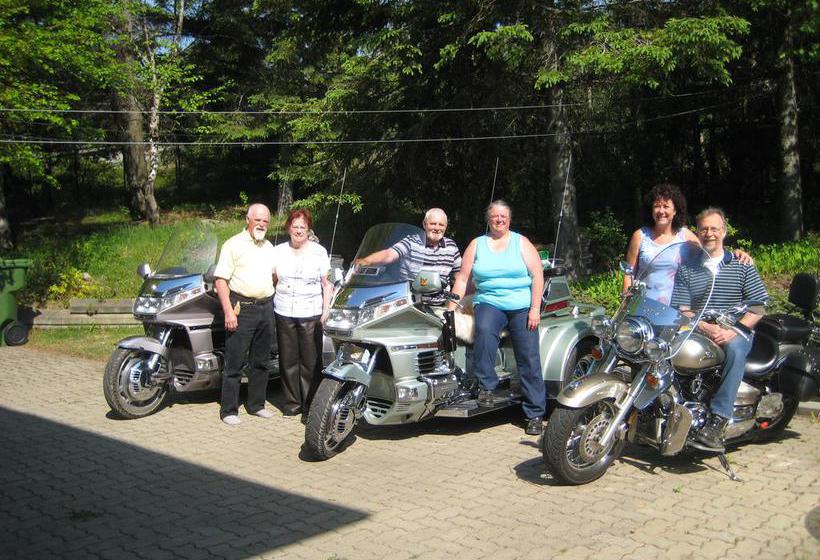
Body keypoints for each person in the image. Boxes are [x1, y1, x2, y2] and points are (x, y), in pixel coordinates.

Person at [671, 207, 768, 449]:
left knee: (734, 350)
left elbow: (758, 308)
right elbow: (683, 309)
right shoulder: (687, 267)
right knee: (667, 346)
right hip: (700, 328)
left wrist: (732, 331)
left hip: (735, 329)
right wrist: (704, 326)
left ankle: (719, 420)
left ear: (723, 232)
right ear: (697, 233)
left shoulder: (741, 264)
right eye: (704, 229)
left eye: (714, 228)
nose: (709, 233)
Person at [448, 200, 546, 436]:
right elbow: (463, 279)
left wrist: (535, 309)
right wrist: (450, 308)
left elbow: (537, 275)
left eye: (503, 216)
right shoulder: (477, 244)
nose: (499, 219)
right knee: (483, 331)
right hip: (489, 301)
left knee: (528, 356)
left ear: (509, 220)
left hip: (521, 305)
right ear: (488, 219)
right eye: (495, 216)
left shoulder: (521, 242)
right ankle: (487, 387)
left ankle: (535, 413)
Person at [623, 183, 751, 304]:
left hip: (676, 308)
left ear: (675, 211)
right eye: (657, 206)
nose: (661, 211)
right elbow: (628, 273)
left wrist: (736, 253)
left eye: (666, 206)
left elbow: (711, 252)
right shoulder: (640, 236)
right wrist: (626, 302)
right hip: (642, 305)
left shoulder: (685, 236)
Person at [214, 203, 277, 426]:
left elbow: (274, 277)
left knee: (261, 362)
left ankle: (256, 405)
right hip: (242, 309)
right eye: (257, 220)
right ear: (247, 220)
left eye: (265, 221)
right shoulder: (233, 244)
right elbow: (220, 281)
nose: (261, 224)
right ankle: (228, 410)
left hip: (265, 307)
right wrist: (228, 312)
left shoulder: (269, 247)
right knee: (235, 362)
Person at [272, 208, 333, 416]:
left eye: (303, 227)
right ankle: (292, 404)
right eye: (295, 226)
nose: (299, 230)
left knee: (310, 361)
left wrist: (326, 310)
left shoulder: (319, 251)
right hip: (283, 310)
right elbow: (272, 278)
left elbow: (326, 283)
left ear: (309, 230)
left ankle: (310, 406)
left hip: (310, 312)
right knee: (288, 359)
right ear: (288, 228)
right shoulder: (278, 251)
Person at [354, 207, 462, 306]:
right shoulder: (411, 241)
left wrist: (454, 306)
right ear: (424, 224)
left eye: (441, 225)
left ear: (446, 227)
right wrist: (366, 261)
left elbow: (460, 277)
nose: (437, 228)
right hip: (409, 304)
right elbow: (389, 254)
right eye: (433, 224)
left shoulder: (451, 246)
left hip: (439, 306)